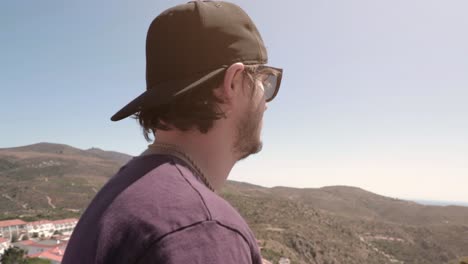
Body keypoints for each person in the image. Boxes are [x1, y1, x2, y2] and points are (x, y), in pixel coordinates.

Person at [62, 1, 283, 263]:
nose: (267, 103)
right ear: (233, 83)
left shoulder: (125, 192)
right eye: (265, 83)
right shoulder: (202, 231)